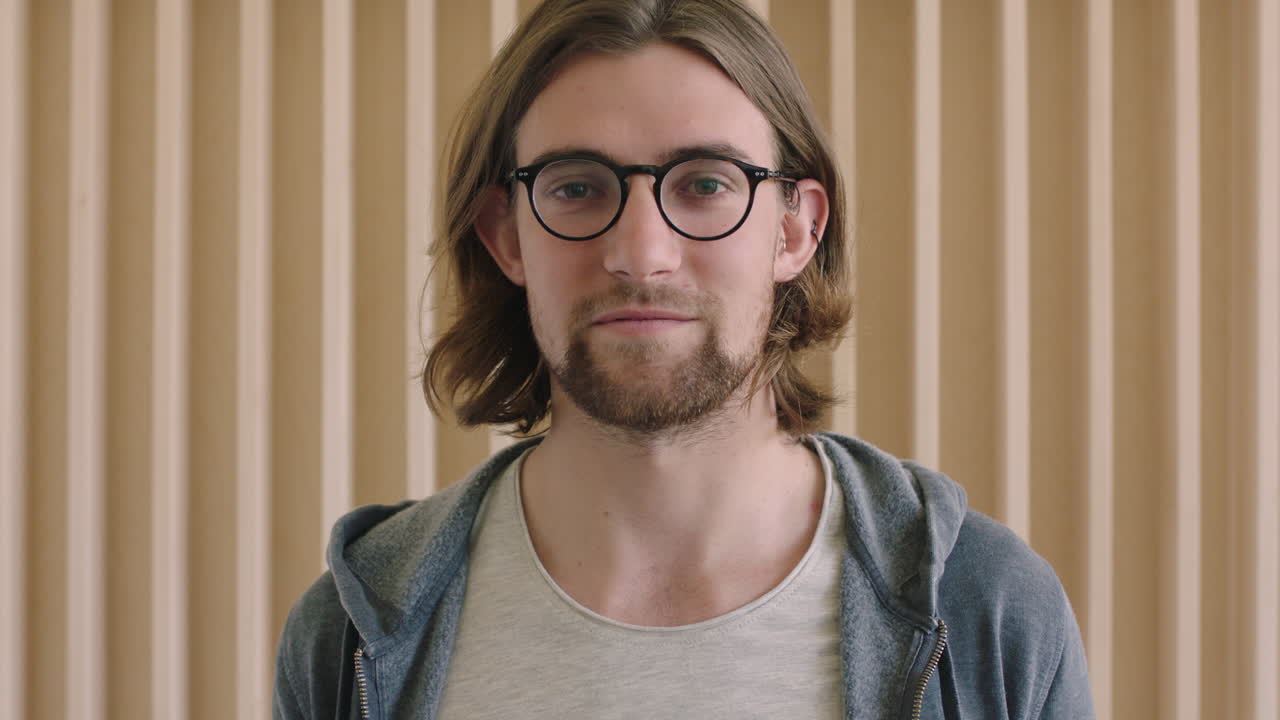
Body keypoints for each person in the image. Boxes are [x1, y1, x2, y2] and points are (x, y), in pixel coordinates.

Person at [273, 0, 1095, 718]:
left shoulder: (988, 612)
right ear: (504, 236)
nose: (641, 253)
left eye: (704, 183)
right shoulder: (350, 637)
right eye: (576, 186)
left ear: (795, 230)